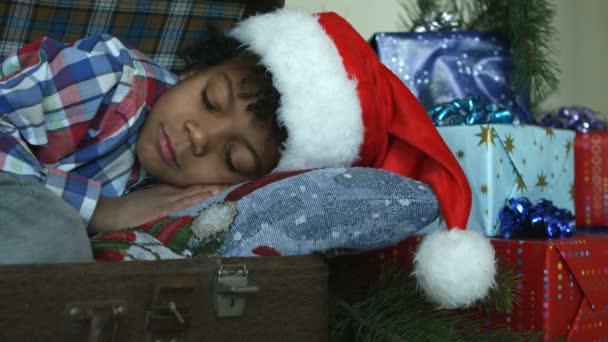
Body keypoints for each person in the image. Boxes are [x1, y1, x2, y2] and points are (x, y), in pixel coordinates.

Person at [1, 7, 495, 310]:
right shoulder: (107, 80)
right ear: (197, 67)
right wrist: (96, 212)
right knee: (52, 238)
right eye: (211, 99)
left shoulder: (186, 200)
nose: (199, 136)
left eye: (233, 157)